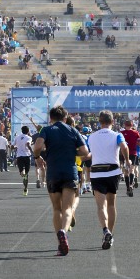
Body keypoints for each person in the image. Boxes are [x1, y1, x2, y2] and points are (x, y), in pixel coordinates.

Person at [33, 106, 90, 256]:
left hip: (53, 173)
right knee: (67, 208)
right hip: (70, 172)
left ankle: (60, 242)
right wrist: (72, 151)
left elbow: (37, 146)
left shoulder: (46, 130)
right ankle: (64, 232)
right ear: (65, 118)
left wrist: (38, 157)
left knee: (56, 209)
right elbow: (85, 152)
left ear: (51, 118)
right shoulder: (73, 130)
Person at [87, 110, 130, 250]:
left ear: (99, 122)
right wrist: (127, 161)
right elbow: (124, 147)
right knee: (111, 205)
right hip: (112, 171)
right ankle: (110, 233)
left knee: (101, 206)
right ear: (113, 121)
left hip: (97, 172)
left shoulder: (91, 137)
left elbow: (87, 154)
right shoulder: (117, 135)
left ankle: (105, 230)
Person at [120, 119, 140, 196]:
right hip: (133, 153)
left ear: (124, 125)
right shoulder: (136, 133)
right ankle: (131, 184)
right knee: (132, 169)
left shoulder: (121, 133)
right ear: (132, 125)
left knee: (126, 171)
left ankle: (127, 187)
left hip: (124, 153)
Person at [13, 125, 33, 196]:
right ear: (28, 131)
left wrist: (15, 147)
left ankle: (22, 172)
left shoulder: (17, 137)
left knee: (22, 172)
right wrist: (32, 151)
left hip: (19, 156)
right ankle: (25, 189)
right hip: (27, 156)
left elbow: (12, 146)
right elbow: (28, 144)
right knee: (27, 175)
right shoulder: (29, 137)